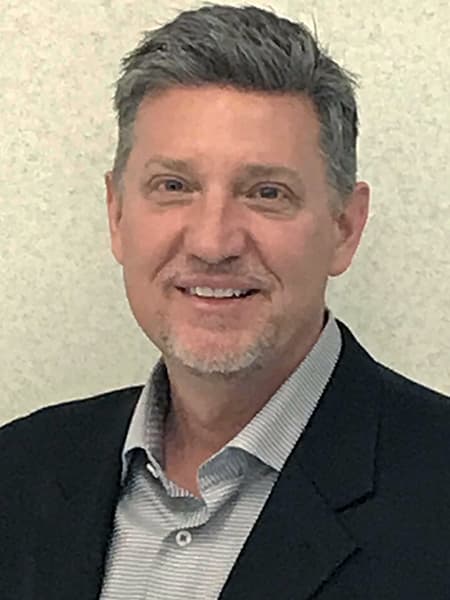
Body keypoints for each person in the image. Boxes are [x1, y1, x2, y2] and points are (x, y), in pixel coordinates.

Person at [1, 3, 449, 599]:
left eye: (267, 192)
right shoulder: (18, 470)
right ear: (117, 214)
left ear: (344, 227)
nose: (213, 243)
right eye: (174, 186)